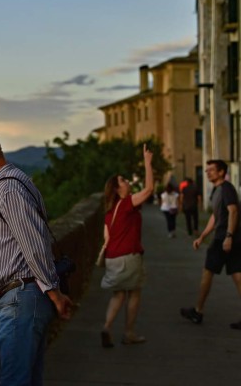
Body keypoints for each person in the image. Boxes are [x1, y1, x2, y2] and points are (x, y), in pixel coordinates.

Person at [0, 131, 73, 386]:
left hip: (21, 299)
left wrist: (54, 293)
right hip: (19, 300)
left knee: (14, 380)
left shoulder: (8, 187)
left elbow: (33, 244)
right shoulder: (5, 186)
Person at [100, 144, 154, 348]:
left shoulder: (109, 211)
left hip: (112, 258)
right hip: (129, 257)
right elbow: (149, 190)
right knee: (134, 293)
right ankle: (129, 333)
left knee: (118, 294)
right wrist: (148, 163)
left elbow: (106, 239)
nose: (128, 182)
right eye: (123, 180)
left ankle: (106, 326)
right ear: (117, 188)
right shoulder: (126, 204)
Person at [180, 160, 241, 330]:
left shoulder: (226, 188)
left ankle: (198, 311)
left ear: (221, 172)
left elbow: (233, 211)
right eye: (206, 170)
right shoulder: (217, 190)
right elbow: (215, 217)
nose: (207, 173)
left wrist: (228, 236)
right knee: (237, 276)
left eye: (211, 170)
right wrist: (202, 236)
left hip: (224, 239)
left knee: (208, 272)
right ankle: (198, 310)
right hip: (230, 239)